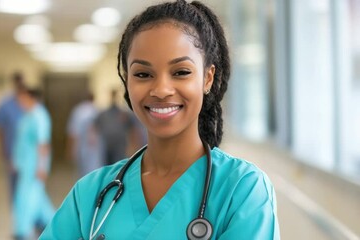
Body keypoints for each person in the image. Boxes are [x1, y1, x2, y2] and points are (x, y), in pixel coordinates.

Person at [40, 1, 280, 239]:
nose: (161, 89)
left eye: (181, 72)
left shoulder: (242, 189)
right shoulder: (90, 193)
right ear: (127, 81)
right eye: (143, 74)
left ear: (207, 78)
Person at [13, 88, 55, 239]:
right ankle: (53, 225)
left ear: (31, 98)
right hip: (26, 165)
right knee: (35, 198)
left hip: (34, 166)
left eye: (22, 99)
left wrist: (42, 167)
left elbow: (43, 144)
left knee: (29, 199)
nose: (19, 102)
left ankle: (23, 232)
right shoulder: (28, 116)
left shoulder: (39, 116)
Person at [0, 72, 25, 200]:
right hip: (11, 151)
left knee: (27, 188)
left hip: (28, 154)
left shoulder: (29, 105)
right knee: (13, 186)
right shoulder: (5, 104)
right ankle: (18, 213)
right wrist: (1, 150)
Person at [94, 89, 137, 165]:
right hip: (107, 144)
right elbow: (95, 126)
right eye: (112, 95)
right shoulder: (104, 113)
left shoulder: (124, 114)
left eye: (115, 96)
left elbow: (132, 129)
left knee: (119, 165)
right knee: (107, 166)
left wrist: (133, 145)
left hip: (120, 145)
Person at [67, 92, 104, 178]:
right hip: (96, 147)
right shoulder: (97, 110)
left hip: (82, 146)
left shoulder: (78, 111)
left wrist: (70, 149)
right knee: (95, 170)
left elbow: (73, 132)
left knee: (82, 172)